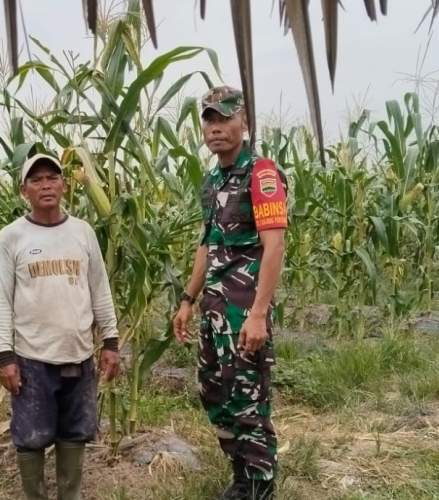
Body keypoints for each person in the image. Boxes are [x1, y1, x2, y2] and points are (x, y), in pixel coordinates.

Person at [173, 86, 288, 500]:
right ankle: (241, 476)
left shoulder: (262, 174)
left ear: (245, 122)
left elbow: (274, 245)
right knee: (213, 393)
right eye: (209, 119)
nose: (215, 128)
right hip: (214, 310)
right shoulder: (213, 180)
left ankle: (260, 487)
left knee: (247, 401)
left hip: (244, 311)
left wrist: (258, 313)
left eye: (224, 118)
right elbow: (208, 243)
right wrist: (187, 299)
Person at [0, 153, 122, 500]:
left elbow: (100, 288)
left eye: (52, 177)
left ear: (64, 185)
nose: (46, 185)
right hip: (32, 360)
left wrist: (110, 342)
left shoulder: (82, 233)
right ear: (23, 190)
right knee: (30, 437)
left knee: (74, 434)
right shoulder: (11, 238)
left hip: (78, 356)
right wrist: (5, 357)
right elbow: (2, 300)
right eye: (37, 180)